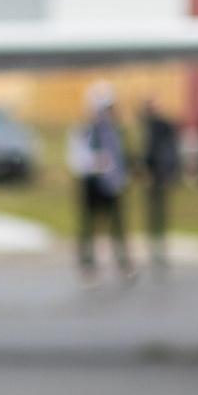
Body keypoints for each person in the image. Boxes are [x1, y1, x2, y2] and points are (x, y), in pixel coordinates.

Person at [67, 80, 133, 284]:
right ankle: (87, 265)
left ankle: (123, 265)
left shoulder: (116, 131)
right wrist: (96, 163)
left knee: (117, 226)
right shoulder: (85, 130)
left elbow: (122, 157)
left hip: (112, 184)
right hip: (91, 182)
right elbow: (76, 158)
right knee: (88, 225)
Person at [137, 95, 181, 270]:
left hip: (160, 175)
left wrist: (168, 172)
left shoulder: (162, 126)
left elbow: (169, 150)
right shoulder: (144, 126)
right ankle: (153, 248)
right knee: (151, 215)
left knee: (159, 215)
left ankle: (159, 248)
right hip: (150, 176)